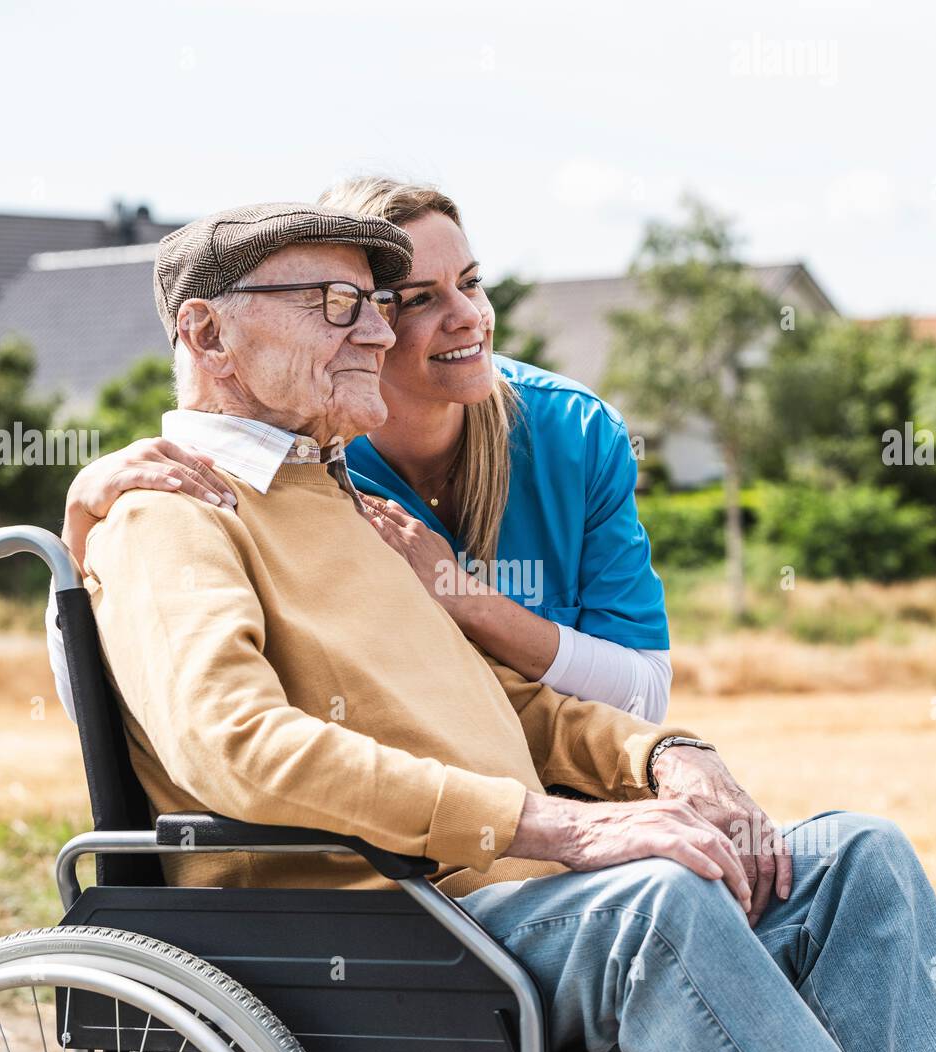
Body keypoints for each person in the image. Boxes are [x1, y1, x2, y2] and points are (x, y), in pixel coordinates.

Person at [74, 198, 936, 1052]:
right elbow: (238, 746)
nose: (377, 330)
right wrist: (567, 826)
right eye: (336, 302)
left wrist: (666, 756)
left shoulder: (344, 500)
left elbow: (510, 703)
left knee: (853, 859)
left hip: (504, 908)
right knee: (661, 899)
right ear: (206, 332)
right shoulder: (167, 515)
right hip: (377, 924)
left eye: (373, 301)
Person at [49, 179, 671, 723]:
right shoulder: (299, 464)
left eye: (472, 283)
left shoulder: (575, 432)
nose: (471, 318)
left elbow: (643, 695)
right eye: (416, 299)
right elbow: (142, 709)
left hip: (549, 795)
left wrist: (464, 597)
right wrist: (79, 540)